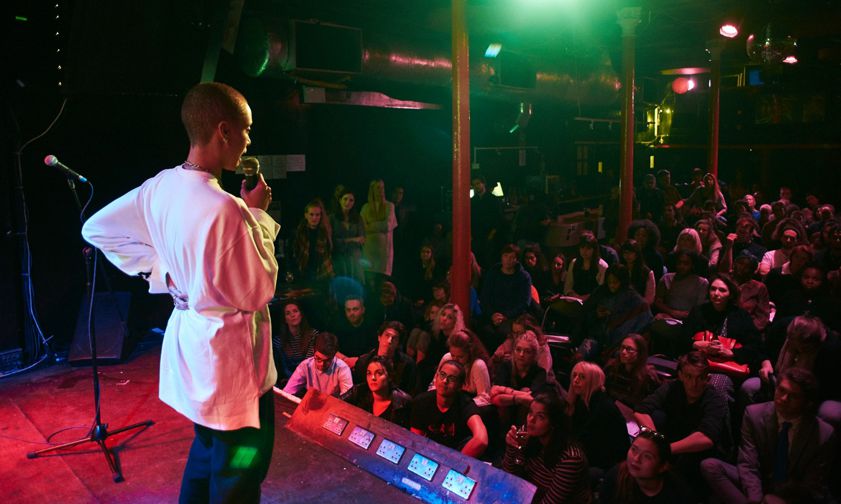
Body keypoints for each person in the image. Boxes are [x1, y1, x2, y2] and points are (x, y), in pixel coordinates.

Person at [81, 82, 277, 502]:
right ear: (223, 131)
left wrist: (165, 273)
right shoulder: (227, 208)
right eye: (245, 130)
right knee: (242, 469)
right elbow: (258, 290)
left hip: (194, 351)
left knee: (206, 454)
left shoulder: (160, 187)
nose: (248, 141)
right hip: (232, 366)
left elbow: (96, 228)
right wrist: (258, 215)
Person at [700, 368, 837, 504]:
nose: (784, 399)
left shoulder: (823, 433)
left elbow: (812, 484)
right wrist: (756, 499)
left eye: (794, 396)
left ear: (807, 403)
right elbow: (748, 464)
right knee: (710, 466)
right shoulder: (754, 414)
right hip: (761, 482)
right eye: (781, 390)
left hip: (793, 494)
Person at [634, 352, 730, 495]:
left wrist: (666, 449)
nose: (694, 384)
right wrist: (655, 440)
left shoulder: (715, 399)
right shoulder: (672, 387)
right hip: (671, 443)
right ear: (680, 375)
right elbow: (641, 411)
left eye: (699, 378)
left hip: (700, 454)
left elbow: (707, 438)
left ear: (707, 379)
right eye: (689, 376)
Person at [502, 392, 591, 504]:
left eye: (540, 416)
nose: (531, 419)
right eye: (530, 412)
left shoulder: (570, 458)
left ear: (554, 423)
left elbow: (550, 502)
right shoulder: (528, 434)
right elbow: (509, 476)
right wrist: (512, 447)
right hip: (531, 495)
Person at [410, 360, 489, 458]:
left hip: (457, 454)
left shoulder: (466, 404)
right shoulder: (422, 401)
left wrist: (457, 462)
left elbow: (481, 440)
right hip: (430, 453)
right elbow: (416, 439)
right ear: (436, 377)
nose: (445, 381)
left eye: (451, 378)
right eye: (442, 375)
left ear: (460, 386)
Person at [599, 427, 697, 503]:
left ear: (663, 466)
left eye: (647, 456)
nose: (636, 459)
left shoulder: (678, 492)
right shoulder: (616, 476)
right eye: (634, 450)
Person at [567, 361, 630, 474]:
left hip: (608, 463)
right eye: (574, 375)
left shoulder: (603, 407)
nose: (575, 380)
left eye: (582, 377)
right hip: (591, 453)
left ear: (593, 381)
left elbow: (588, 441)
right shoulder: (581, 401)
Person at [490, 330, 550, 426]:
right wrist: (519, 397)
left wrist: (509, 395)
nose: (521, 354)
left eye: (527, 352)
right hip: (505, 411)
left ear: (534, 355)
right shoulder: (505, 366)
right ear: (513, 351)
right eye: (518, 350)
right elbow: (495, 396)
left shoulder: (539, 372)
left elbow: (532, 399)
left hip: (526, 414)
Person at [342, 355, 412, 428]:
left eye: (379, 373)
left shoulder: (402, 403)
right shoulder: (359, 391)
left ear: (390, 377)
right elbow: (338, 403)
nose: (373, 378)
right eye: (369, 373)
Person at [604, 334, 662, 421]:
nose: (623, 352)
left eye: (629, 349)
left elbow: (652, 402)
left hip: (634, 415)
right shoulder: (611, 367)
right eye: (622, 347)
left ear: (640, 353)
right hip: (612, 410)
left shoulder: (648, 375)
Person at [353, 321, 416, 394]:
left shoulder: (408, 364)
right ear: (379, 337)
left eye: (394, 338)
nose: (389, 341)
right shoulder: (364, 362)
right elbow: (357, 390)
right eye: (387, 335)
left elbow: (411, 392)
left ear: (398, 344)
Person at [360, 179, 398, 284]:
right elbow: (362, 227)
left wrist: (371, 225)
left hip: (383, 255)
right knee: (369, 285)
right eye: (378, 188)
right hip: (368, 253)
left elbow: (387, 225)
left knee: (381, 285)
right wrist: (378, 225)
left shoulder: (389, 206)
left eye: (382, 187)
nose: (381, 190)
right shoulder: (365, 207)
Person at [272, 301, 318, 383]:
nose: (292, 315)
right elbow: (281, 367)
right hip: (288, 380)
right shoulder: (278, 341)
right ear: (285, 319)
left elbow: (309, 364)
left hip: (309, 378)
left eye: (295, 311)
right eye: (288, 313)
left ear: (301, 314)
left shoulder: (312, 335)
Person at [291, 199, 334, 283]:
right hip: (304, 272)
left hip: (322, 273)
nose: (314, 218)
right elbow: (294, 253)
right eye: (311, 214)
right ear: (306, 215)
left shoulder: (325, 232)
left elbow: (328, 253)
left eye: (317, 215)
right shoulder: (300, 232)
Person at [330, 185, 366, 284]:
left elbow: (362, 239)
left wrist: (346, 240)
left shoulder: (358, 218)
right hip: (338, 258)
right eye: (345, 199)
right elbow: (331, 241)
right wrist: (352, 240)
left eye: (351, 200)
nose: (348, 202)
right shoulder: (332, 218)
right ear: (340, 200)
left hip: (354, 258)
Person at [564, 233, 609, 301]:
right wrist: (574, 295)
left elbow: (601, 290)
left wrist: (584, 298)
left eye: (588, 248)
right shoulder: (574, 263)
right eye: (582, 248)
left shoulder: (602, 266)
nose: (584, 251)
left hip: (592, 301)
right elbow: (568, 285)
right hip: (574, 299)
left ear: (594, 249)